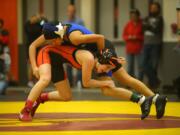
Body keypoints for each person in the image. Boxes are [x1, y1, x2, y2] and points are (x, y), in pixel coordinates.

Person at [19, 23, 167, 121]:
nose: (50, 43)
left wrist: (104, 57)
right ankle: (151, 99)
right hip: (93, 54)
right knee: (111, 86)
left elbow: (100, 38)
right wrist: (34, 66)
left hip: (100, 51)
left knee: (119, 82)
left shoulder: (74, 38)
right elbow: (33, 46)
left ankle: (150, 99)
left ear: (58, 37)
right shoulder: (54, 32)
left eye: (52, 41)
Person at [141, 2, 163, 88]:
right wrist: (149, 26)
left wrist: (148, 26)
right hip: (146, 43)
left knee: (154, 65)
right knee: (143, 65)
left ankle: (152, 84)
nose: (152, 9)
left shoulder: (160, 18)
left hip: (155, 44)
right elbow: (143, 28)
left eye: (154, 8)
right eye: (151, 7)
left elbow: (157, 30)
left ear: (158, 9)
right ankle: (156, 80)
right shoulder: (147, 18)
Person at [64, 4, 85, 87]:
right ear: (67, 12)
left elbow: (83, 33)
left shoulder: (80, 22)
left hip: (78, 46)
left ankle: (80, 82)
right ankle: (70, 84)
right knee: (68, 65)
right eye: (69, 11)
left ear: (75, 12)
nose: (70, 13)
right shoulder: (64, 23)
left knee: (80, 64)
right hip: (68, 47)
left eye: (72, 11)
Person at [25, 14, 48, 87]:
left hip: (38, 46)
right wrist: (31, 20)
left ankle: (37, 80)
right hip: (30, 46)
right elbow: (26, 27)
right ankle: (30, 80)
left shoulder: (39, 24)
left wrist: (43, 18)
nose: (35, 19)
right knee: (31, 64)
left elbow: (45, 25)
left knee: (38, 63)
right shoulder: (28, 25)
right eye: (33, 18)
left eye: (36, 18)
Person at [122, 9, 143, 78]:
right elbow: (124, 36)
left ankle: (140, 81)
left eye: (134, 16)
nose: (133, 17)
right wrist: (129, 37)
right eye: (131, 16)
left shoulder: (141, 24)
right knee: (130, 67)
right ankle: (130, 82)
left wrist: (136, 37)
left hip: (139, 48)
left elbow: (144, 36)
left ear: (138, 16)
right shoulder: (128, 24)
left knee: (140, 66)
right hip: (130, 48)